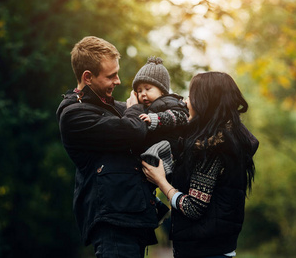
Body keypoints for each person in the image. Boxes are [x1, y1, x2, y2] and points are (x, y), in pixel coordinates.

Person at [56, 36, 159, 258]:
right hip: (112, 224)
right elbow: (132, 131)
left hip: (132, 217)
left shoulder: (115, 108)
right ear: (88, 77)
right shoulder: (74, 115)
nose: (119, 81)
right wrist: (134, 109)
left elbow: (146, 125)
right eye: (111, 76)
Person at [141, 71, 259, 258]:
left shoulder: (214, 148)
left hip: (204, 251)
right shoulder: (226, 140)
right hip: (215, 248)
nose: (186, 102)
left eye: (191, 96)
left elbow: (193, 207)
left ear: (205, 102)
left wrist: (160, 181)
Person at [132, 56, 189, 170]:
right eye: (139, 91)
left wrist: (156, 119)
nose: (143, 94)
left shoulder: (170, 102)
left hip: (170, 151)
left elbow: (180, 117)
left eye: (148, 89)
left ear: (162, 90)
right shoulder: (144, 108)